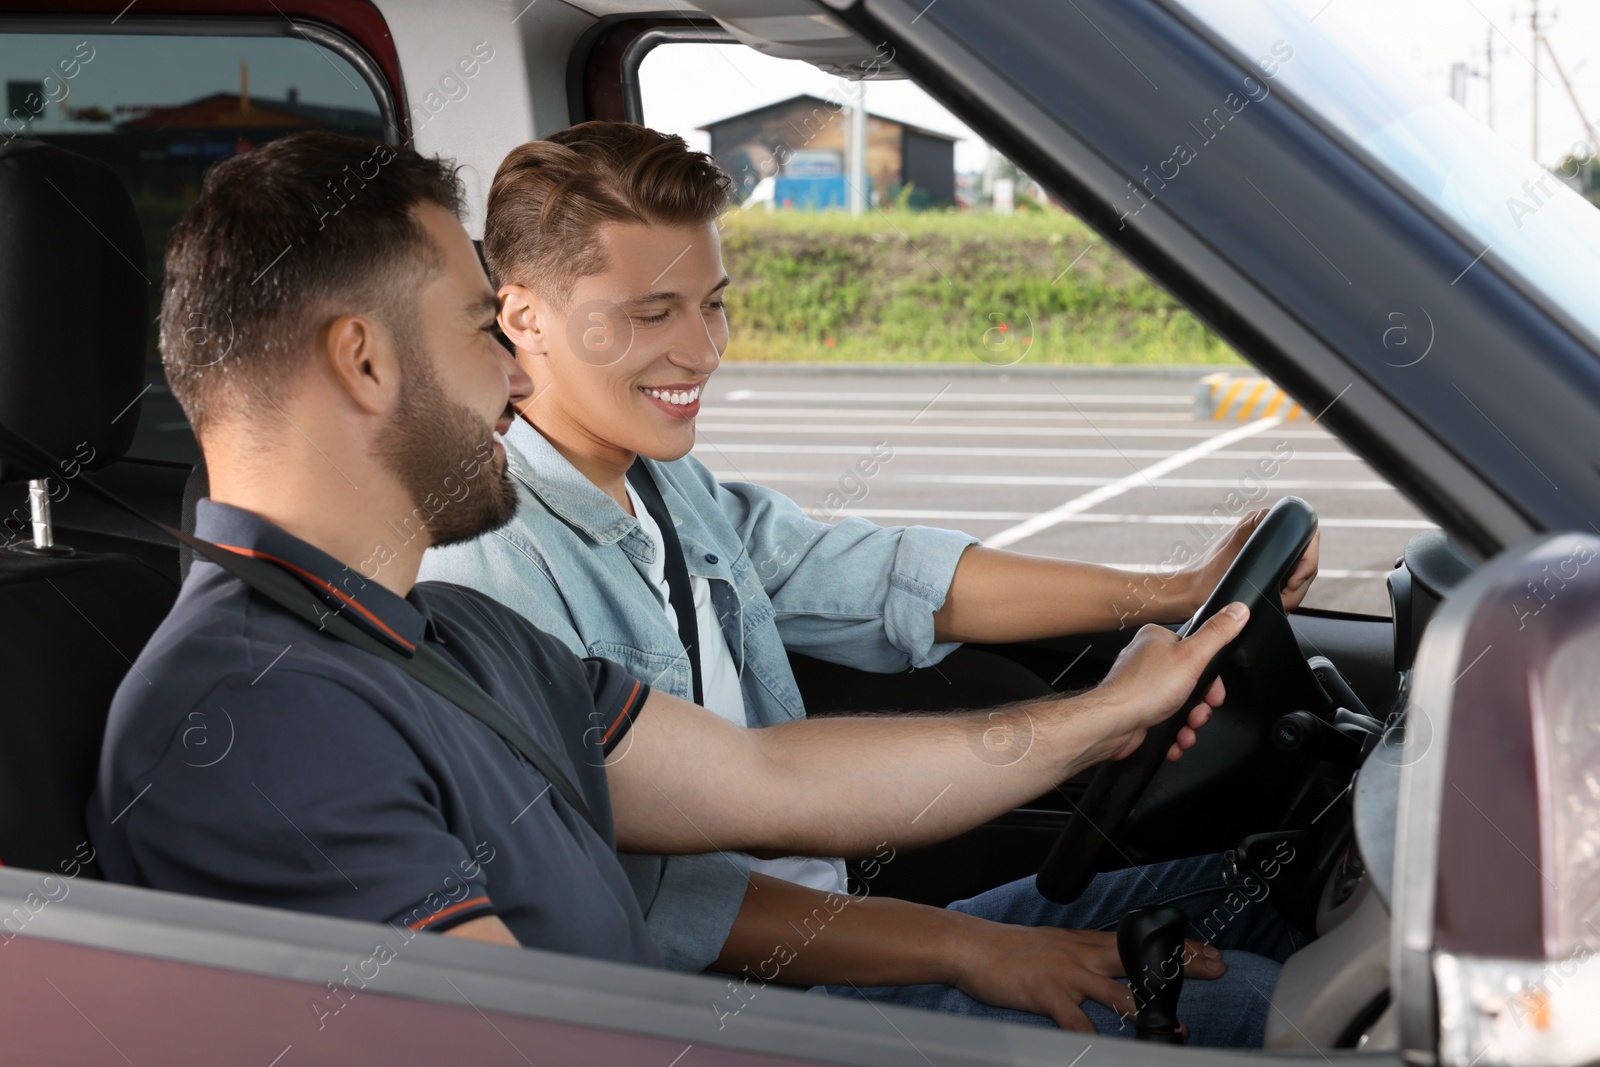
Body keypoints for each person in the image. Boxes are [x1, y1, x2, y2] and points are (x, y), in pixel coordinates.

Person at [90, 130, 1260, 1039]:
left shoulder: (449, 634)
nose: (512, 374)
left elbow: (765, 776)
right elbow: (505, 1044)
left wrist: (1106, 709)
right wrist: (964, 953)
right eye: (478, 330)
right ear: (364, 359)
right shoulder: (251, 715)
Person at [418, 122, 1321, 1044]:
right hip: (732, 1013)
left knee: (1279, 881)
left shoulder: (659, 478)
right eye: (652, 315)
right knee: (1261, 1008)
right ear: (523, 316)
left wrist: (1173, 591)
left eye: (713, 303)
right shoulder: (490, 563)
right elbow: (656, 906)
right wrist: (970, 947)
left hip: (827, 942)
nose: (704, 350)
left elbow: (871, 575)